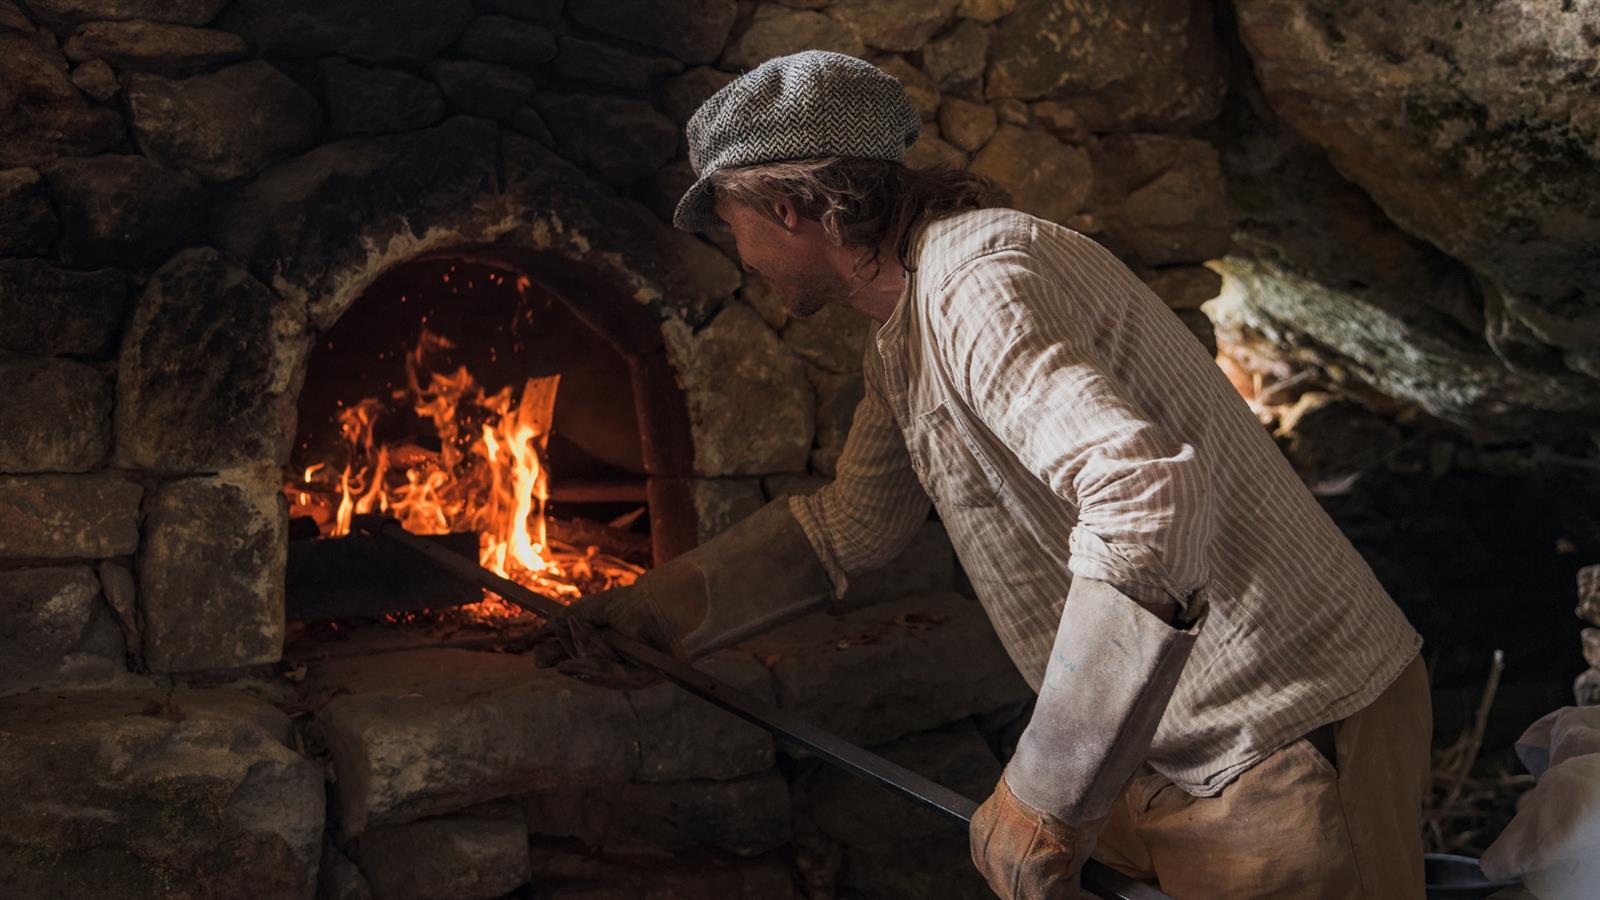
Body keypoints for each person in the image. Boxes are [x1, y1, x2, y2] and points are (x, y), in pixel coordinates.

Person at [535, 51, 1429, 899]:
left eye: (732, 226)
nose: (741, 256)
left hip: (1283, 732)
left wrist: (1045, 790)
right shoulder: (910, 324)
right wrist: (659, 610)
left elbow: (1145, 496)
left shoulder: (978, 282)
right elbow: (854, 524)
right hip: (1186, 748)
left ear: (789, 210)